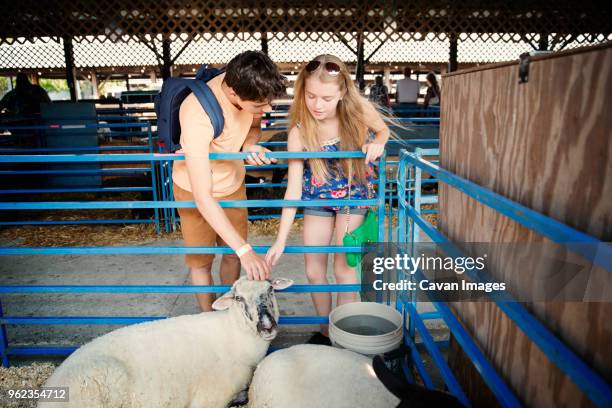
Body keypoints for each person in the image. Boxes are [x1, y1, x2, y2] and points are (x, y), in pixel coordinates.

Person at [265, 54, 390, 345]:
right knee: (313, 270)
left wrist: (378, 142)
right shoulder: (298, 132)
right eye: (310, 96)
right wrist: (281, 239)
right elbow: (293, 188)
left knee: (344, 268)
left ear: (343, 92)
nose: (317, 105)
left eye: (326, 97)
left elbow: (383, 129)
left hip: (353, 195)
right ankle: (325, 332)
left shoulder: (358, 112)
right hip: (316, 198)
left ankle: (348, 334)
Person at [172, 51, 286, 312]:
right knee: (201, 260)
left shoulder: (251, 87)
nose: (267, 109)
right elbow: (203, 197)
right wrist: (247, 250)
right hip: (194, 188)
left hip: (233, 183)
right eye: (260, 105)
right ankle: (209, 316)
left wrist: (249, 144)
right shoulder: (197, 113)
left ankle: (231, 310)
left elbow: (255, 124)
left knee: (233, 254)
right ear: (233, 94)